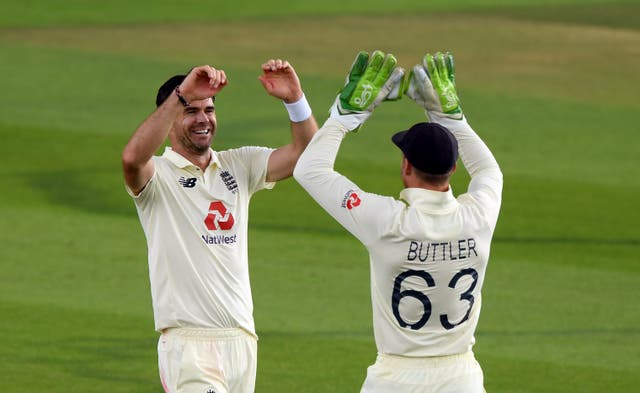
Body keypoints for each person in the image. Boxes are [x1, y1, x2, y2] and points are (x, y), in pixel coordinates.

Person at [293, 50, 503, 393]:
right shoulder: (478, 215)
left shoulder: (387, 221)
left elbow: (309, 170)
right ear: (452, 168)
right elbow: (489, 171)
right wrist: (451, 116)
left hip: (395, 379)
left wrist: (345, 115)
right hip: (462, 379)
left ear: (406, 166)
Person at [122, 59, 317, 393]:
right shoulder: (158, 175)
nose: (204, 119)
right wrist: (181, 93)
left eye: (209, 109)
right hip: (190, 345)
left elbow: (306, 154)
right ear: (170, 119)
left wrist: (295, 99)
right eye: (191, 111)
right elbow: (131, 159)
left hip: (242, 341)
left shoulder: (238, 165)